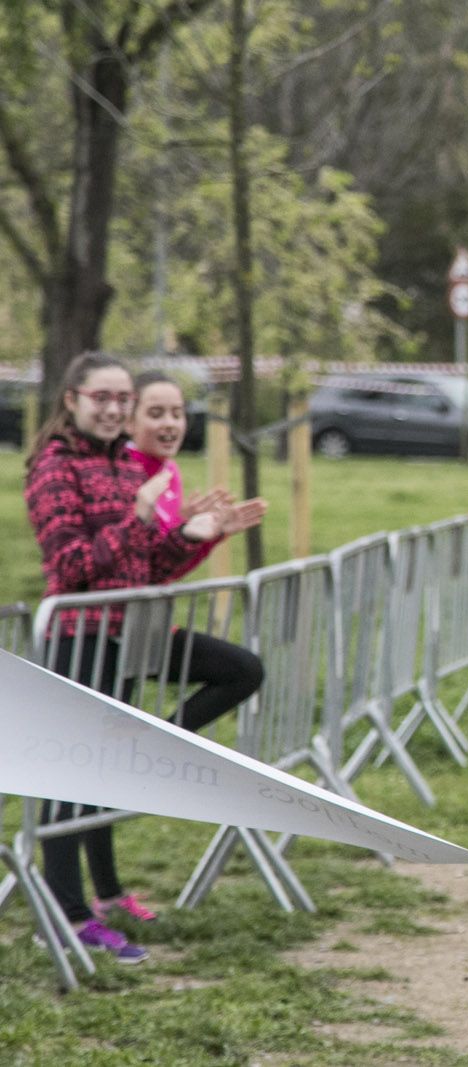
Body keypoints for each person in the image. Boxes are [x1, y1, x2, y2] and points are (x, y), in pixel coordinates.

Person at [23, 355, 255, 963]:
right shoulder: (53, 467)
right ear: (72, 399)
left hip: (130, 636)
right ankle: (69, 916)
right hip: (78, 634)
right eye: (103, 397)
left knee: (99, 773)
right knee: (71, 778)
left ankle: (88, 902)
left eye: (123, 399)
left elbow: (148, 567)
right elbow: (70, 567)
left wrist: (198, 535)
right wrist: (139, 518)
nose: (115, 409)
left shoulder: (128, 464)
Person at [126, 370, 268, 730]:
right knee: (94, 745)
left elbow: (166, 567)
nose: (170, 424)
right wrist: (186, 535)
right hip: (107, 626)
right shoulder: (121, 472)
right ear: (129, 420)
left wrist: (208, 537)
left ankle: (160, 749)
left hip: (150, 625)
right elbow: (136, 561)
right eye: (156, 413)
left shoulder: (169, 472)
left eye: (177, 413)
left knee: (244, 670)